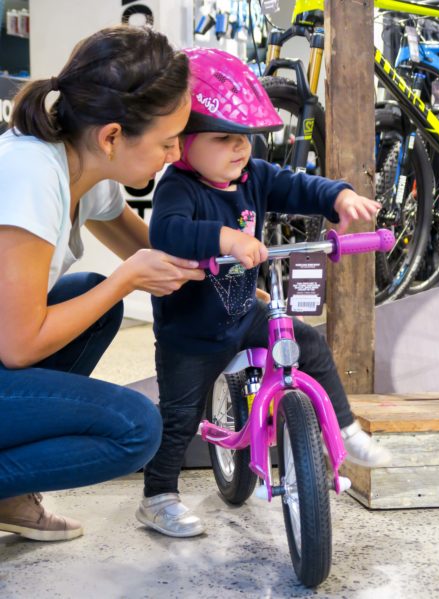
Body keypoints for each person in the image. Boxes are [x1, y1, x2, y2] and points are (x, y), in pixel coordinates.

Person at [136, 48, 391, 538]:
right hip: (190, 332)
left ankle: (347, 427)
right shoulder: (179, 189)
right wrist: (224, 238)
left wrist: (338, 195)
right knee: (178, 417)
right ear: (182, 144)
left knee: (309, 344)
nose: (239, 149)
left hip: (240, 313)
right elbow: (165, 233)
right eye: (224, 138)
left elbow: (296, 185)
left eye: (246, 139)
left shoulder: (252, 176)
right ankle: (158, 495)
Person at [0, 25, 206, 543]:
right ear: (112, 136)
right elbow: (20, 346)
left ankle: (8, 494)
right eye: (167, 140)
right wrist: (127, 279)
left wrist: (229, 279)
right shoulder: (29, 175)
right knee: (134, 427)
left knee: (91, 297)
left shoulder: (81, 168)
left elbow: (154, 251)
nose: (175, 153)